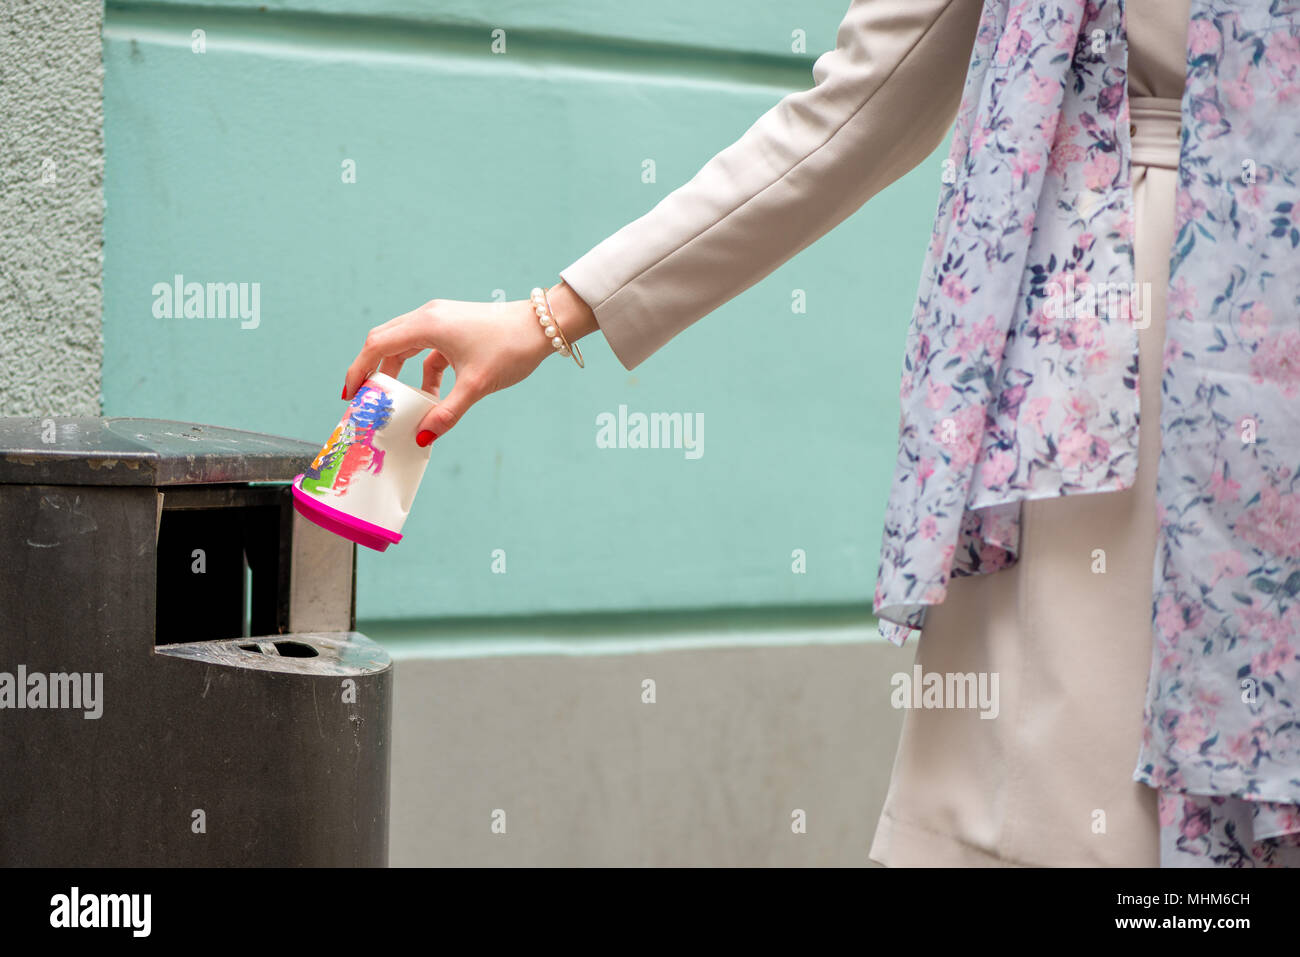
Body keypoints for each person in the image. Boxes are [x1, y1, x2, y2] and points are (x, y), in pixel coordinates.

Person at [342, 0, 1297, 866]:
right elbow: (857, 108)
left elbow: (854, 110)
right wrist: (549, 315)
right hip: (1108, 373)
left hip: (1163, 347)